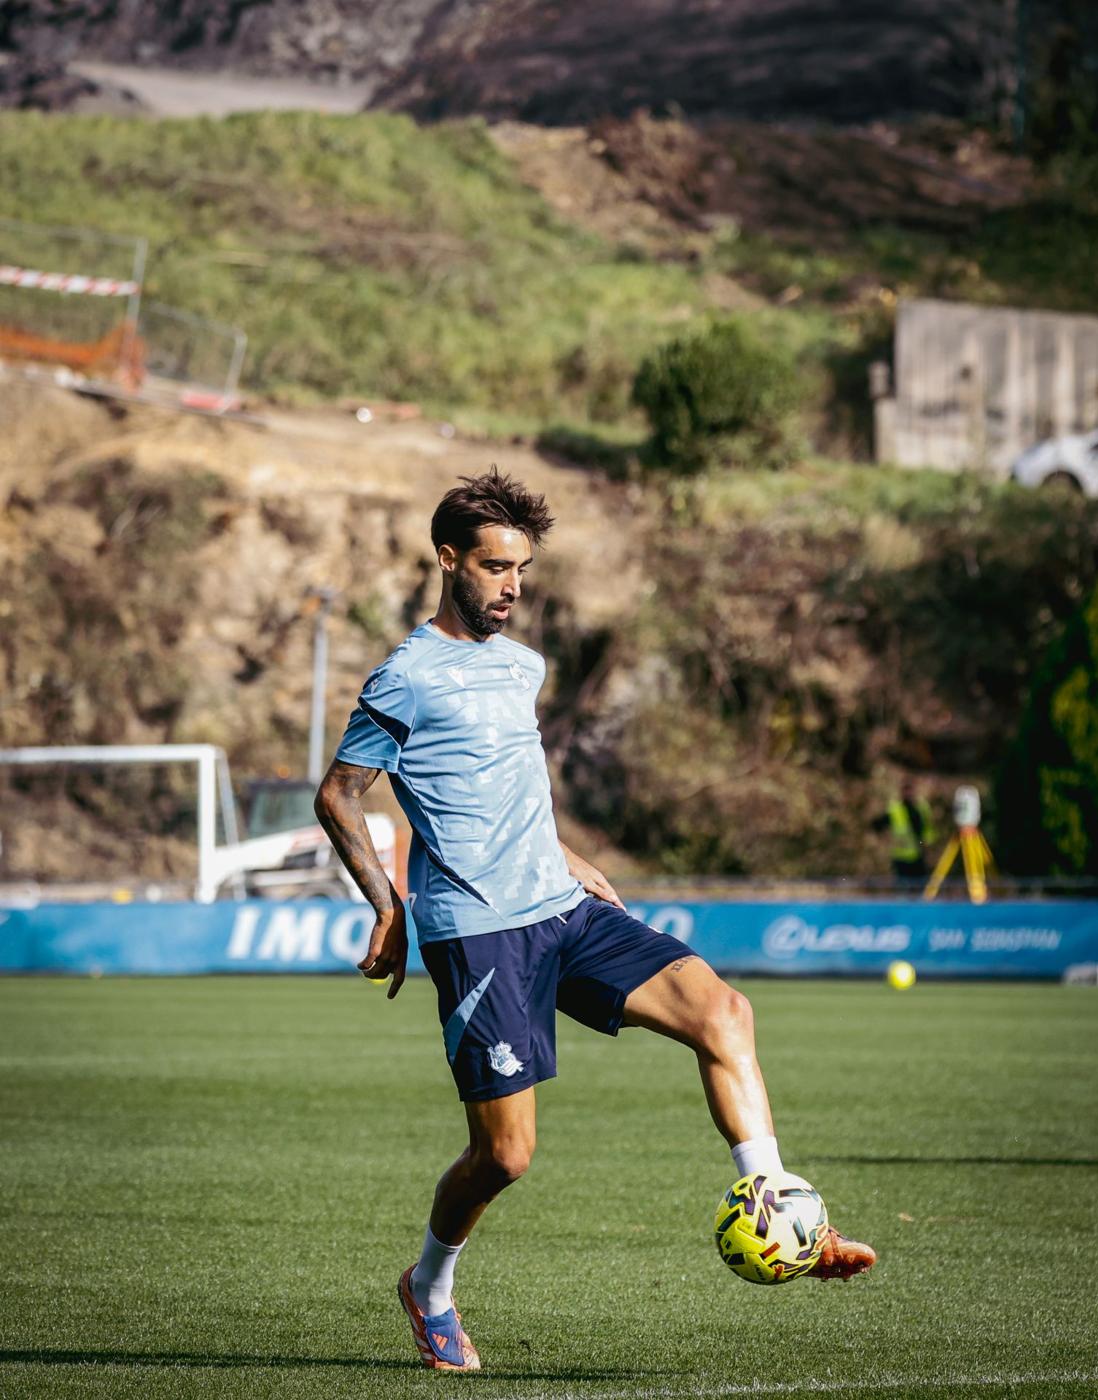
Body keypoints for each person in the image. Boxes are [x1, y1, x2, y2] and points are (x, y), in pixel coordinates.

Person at [315, 467, 876, 1373]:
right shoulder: (407, 677)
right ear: (448, 559)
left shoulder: (522, 665)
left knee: (724, 1013)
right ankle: (429, 1287)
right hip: (479, 931)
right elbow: (339, 795)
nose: (511, 587)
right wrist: (388, 906)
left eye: (523, 570)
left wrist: (569, 857)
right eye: (495, 567)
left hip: (564, 909)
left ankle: (781, 1205)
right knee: (505, 1158)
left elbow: (507, 786)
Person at [872, 778, 936, 886]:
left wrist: (927, 844)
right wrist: (884, 839)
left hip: (918, 854)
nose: (908, 794)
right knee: (903, 887)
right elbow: (879, 825)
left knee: (920, 886)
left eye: (910, 790)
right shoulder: (895, 809)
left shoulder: (921, 808)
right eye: (906, 791)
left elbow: (928, 828)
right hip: (900, 855)